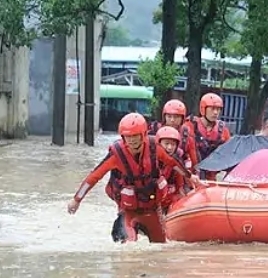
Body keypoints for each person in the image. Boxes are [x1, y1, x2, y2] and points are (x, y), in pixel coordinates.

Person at [67, 113, 195, 243]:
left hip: (152, 209)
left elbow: (173, 163)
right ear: (123, 137)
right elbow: (93, 177)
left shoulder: (154, 148)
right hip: (128, 210)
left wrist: (190, 177)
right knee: (128, 246)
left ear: (143, 134)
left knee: (161, 246)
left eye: (135, 136)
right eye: (128, 137)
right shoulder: (116, 155)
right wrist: (77, 199)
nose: (132, 140)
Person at [187, 93, 231, 180]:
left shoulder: (223, 130)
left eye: (218, 109)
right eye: (212, 109)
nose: (215, 112)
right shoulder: (190, 125)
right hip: (191, 175)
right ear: (203, 109)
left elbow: (229, 155)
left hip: (211, 177)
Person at [148, 99, 199, 171]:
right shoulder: (154, 131)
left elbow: (194, 162)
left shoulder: (187, 136)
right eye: (169, 116)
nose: (172, 120)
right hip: (155, 172)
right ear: (164, 117)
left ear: (182, 118)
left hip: (177, 172)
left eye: (176, 117)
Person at [155, 126, 192, 214]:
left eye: (173, 144)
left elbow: (180, 187)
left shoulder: (178, 163)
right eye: (166, 143)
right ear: (159, 144)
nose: (170, 147)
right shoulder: (151, 160)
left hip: (169, 200)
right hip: (154, 201)